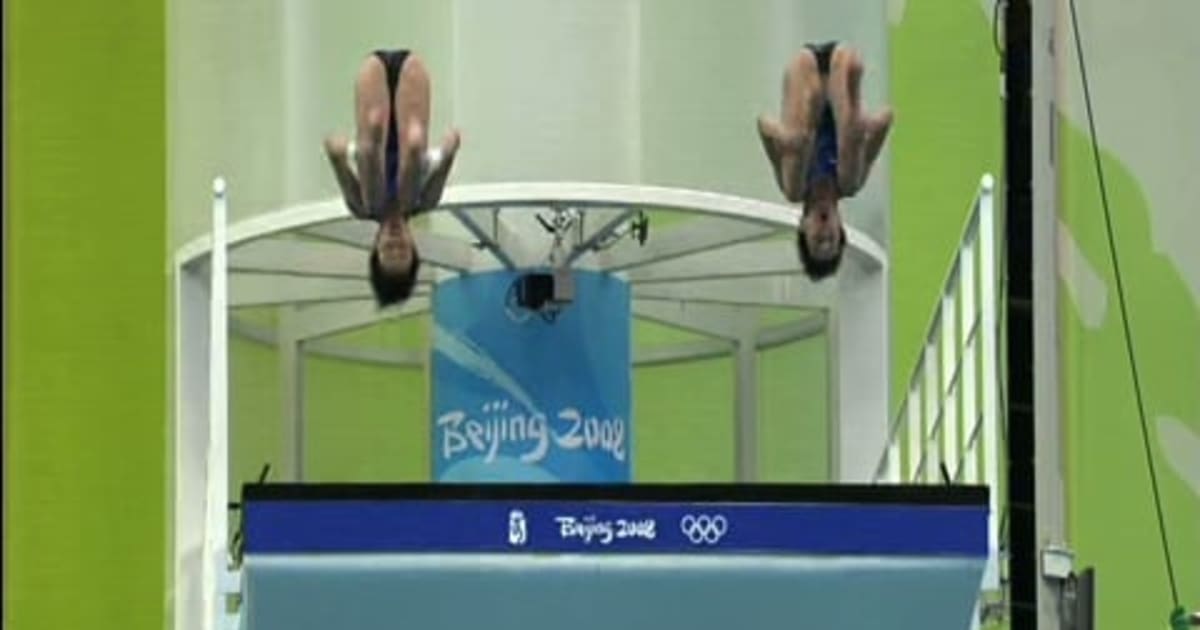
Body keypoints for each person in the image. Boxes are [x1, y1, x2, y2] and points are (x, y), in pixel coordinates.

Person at [324, 49, 462, 306]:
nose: (396, 240)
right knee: (409, 199)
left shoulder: (361, 205)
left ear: (376, 246)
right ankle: (410, 143)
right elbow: (446, 160)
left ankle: (374, 140)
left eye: (389, 249)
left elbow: (333, 154)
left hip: (374, 104)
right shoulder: (424, 201)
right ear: (413, 245)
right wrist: (449, 150)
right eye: (403, 250)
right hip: (410, 104)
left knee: (372, 204)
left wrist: (339, 152)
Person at [756, 42, 892, 281]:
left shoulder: (793, 185)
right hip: (840, 70)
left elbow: (763, 124)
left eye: (818, 239)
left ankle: (818, 115)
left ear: (804, 228)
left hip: (804, 72)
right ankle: (850, 109)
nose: (825, 232)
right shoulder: (851, 179)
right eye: (832, 238)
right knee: (850, 180)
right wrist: (867, 129)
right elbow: (887, 117)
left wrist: (786, 139)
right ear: (840, 227)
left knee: (794, 184)